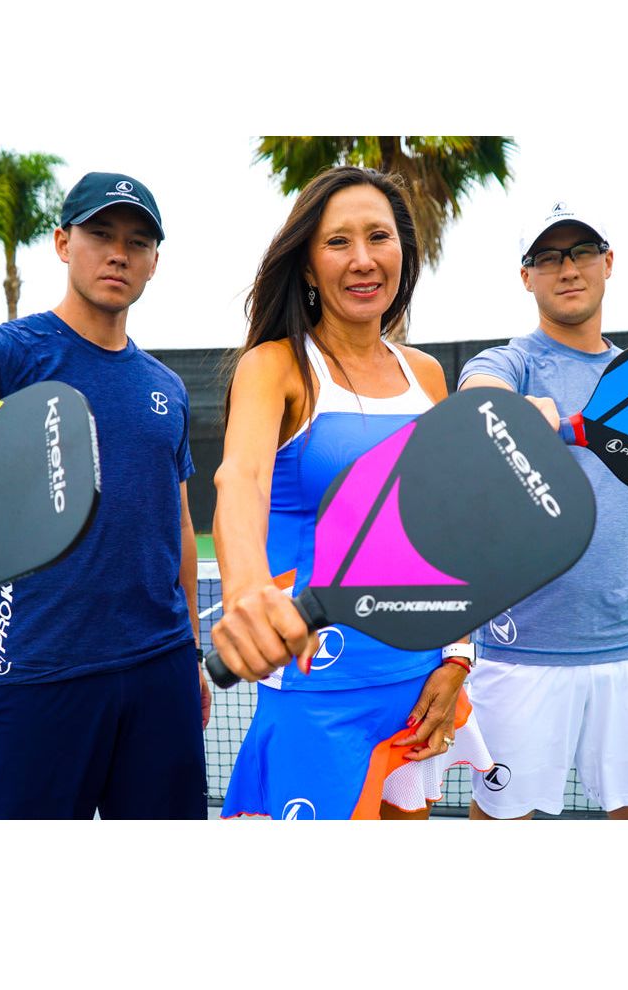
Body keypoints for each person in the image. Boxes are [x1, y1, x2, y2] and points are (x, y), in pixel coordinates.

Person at [0, 172, 210, 819]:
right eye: (101, 233)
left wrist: (189, 652)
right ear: (62, 242)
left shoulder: (166, 387)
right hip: (36, 683)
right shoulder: (4, 354)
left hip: (160, 673)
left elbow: (181, 526)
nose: (119, 253)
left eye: (137, 242)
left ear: (154, 262)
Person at [209, 165, 492, 820]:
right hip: (317, 692)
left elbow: (447, 530)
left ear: (403, 253)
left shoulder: (426, 374)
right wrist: (246, 589)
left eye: (379, 237)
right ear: (308, 266)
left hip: (418, 684)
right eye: (338, 242)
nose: (363, 259)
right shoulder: (275, 366)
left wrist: (457, 656)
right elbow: (240, 478)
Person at [458, 201, 628, 820]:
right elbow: (477, 398)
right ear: (527, 277)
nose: (567, 268)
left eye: (580, 252)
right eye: (548, 257)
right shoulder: (511, 363)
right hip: (521, 657)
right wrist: (511, 411)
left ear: (608, 262)